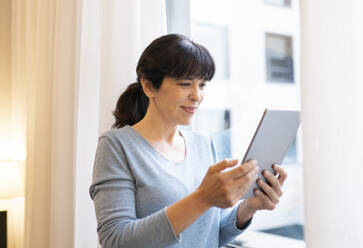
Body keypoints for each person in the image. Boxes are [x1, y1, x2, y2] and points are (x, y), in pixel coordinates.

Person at [89, 33, 288, 248]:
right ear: (148, 87)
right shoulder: (116, 146)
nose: (196, 96)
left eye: (202, 85)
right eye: (185, 84)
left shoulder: (204, 143)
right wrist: (202, 198)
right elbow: (115, 240)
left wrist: (250, 206)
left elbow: (211, 234)